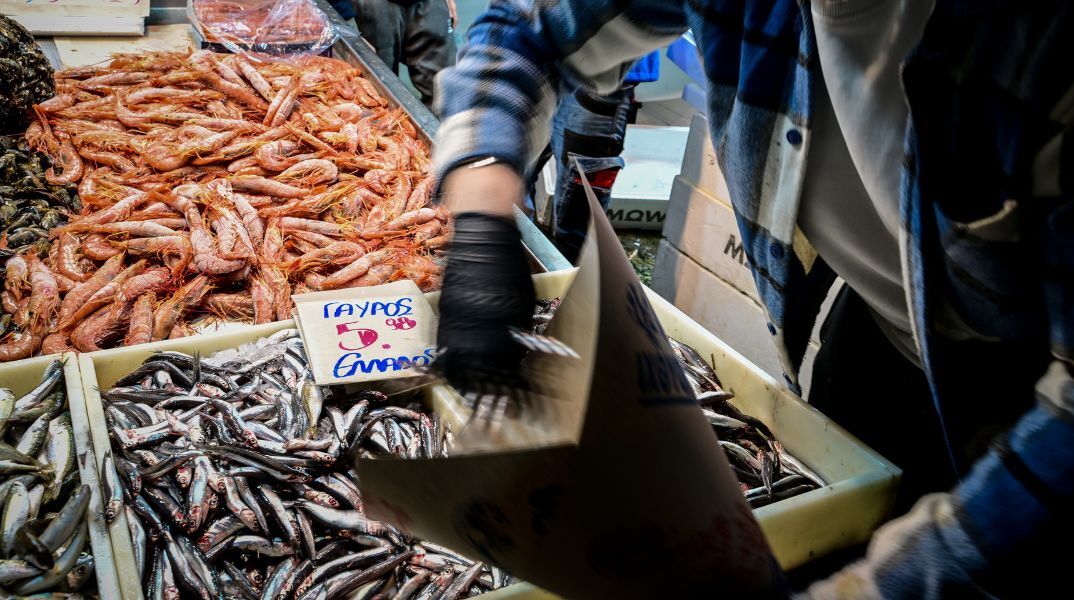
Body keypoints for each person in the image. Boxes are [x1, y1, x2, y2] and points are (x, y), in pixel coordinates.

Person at [431, 1, 1074, 596]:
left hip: (1030, 387)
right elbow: (526, 28)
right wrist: (482, 215)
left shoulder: (1038, 37)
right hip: (879, 334)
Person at [530, 52, 660, 262]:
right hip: (534, 57)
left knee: (575, 232)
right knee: (508, 189)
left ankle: (556, 295)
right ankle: (513, 285)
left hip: (601, 75)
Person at [353, 0, 458, 110]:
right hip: (373, 6)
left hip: (430, 4)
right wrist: (343, 22)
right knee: (378, 96)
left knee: (450, 93)